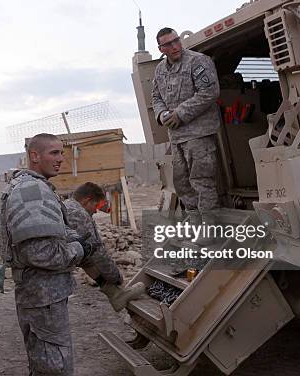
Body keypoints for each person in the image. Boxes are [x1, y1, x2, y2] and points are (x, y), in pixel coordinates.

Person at [0, 133, 93, 376]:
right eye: (54, 153)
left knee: (45, 365)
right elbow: (40, 253)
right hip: (43, 298)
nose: (61, 158)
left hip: (42, 297)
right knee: (55, 368)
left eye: (62, 152)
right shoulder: (32, 191)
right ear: (34, 156)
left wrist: (73, 238)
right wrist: (80, 250)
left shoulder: (35, 187)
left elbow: (54, 231)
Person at [152, 27, 221, 223]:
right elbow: (156, 97)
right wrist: (162, 114)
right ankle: (194, 222)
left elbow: (209, 91)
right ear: (161, 49)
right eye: (168, 44)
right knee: (182, 183)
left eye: (176, 41)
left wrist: (180, 113)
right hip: (176, 137)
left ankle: (210, 228)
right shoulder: (160, 70)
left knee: (202, 182)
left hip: (199, 134)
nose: (175, 46)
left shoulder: (198, 61)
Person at [63, 182, 144, 311]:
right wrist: (117, 277)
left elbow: (87, 257)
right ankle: (117, 293)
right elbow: (97, 253)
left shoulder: (68, 206)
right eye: (95, 205)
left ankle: (116, 295)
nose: (96, 210)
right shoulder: (78, 214)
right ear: (86, 201)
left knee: (86, 256)